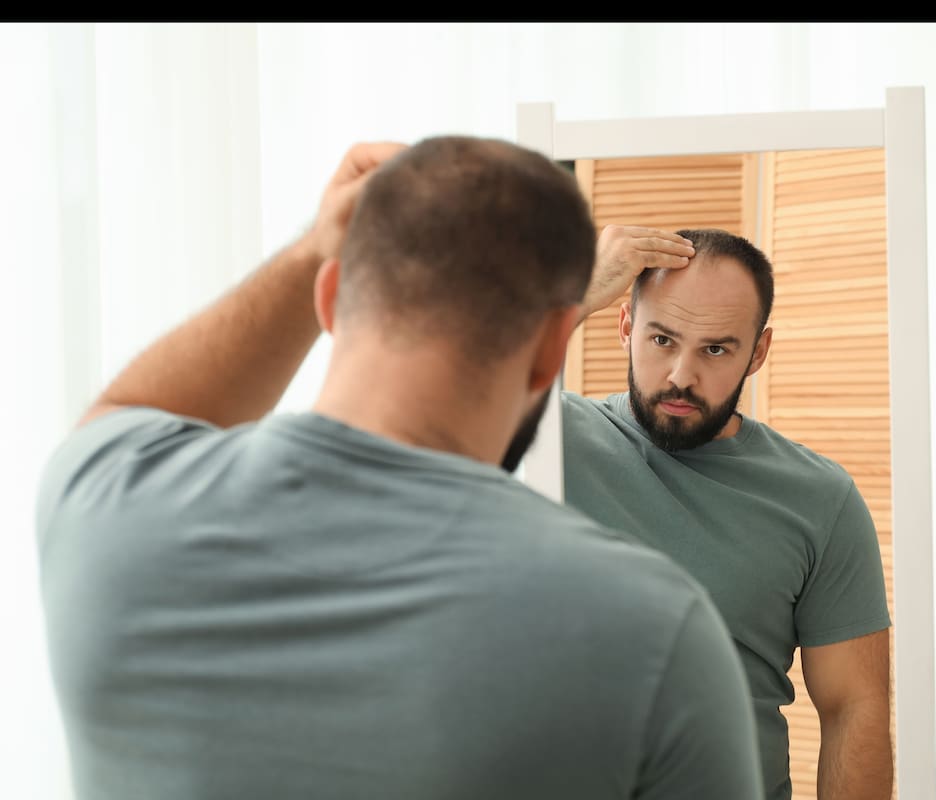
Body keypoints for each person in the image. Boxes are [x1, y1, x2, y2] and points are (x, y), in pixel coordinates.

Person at [34, 139, 765, 800]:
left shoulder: (106, 506)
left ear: (328, 299)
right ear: (555, 346)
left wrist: (312, 248)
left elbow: (133, 406)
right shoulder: (655, 635)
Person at [560, 224, 894, 800]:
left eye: (715, 349)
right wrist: (570, 296)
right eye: (662, 340)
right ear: (623, 326)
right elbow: (427, 401)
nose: (681, 376)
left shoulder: (820, 498)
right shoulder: (548, 438)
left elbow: (853, 710)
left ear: (757, 352)